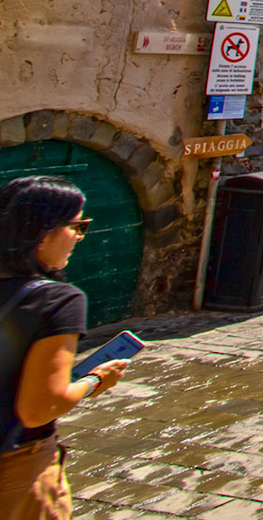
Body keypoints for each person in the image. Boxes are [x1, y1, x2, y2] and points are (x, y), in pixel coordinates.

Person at [0, 176, 131, 517]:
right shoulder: (56, 300)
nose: (79, 237)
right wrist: (95, 380)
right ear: (42, 233)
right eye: (77, 226)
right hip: (14, 468)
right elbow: (39, 408)